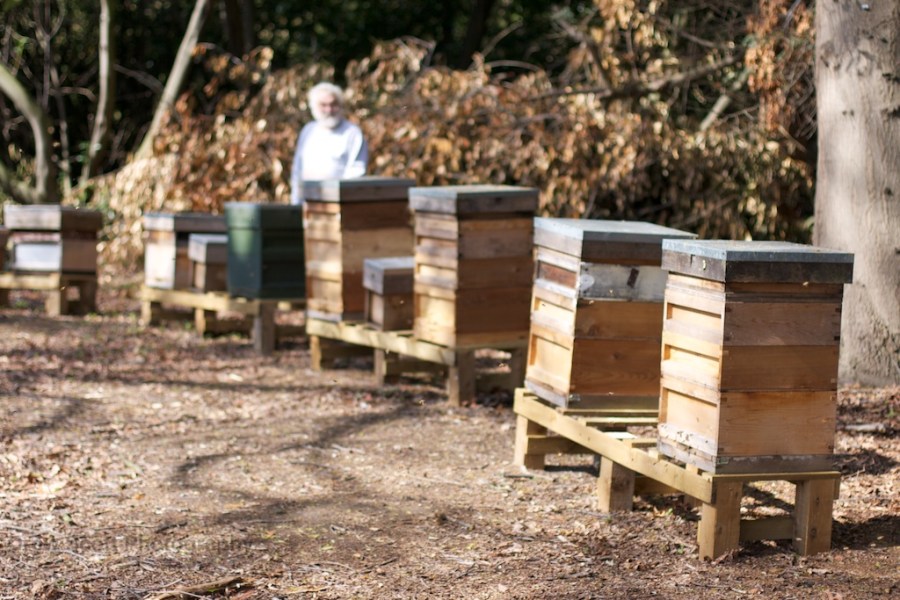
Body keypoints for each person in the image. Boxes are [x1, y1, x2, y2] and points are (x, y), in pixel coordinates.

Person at [289, 82, 368, 205]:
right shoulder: (308, 130)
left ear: (341, 106)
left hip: (338, 205)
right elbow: (297, 169)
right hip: (308, 202)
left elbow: (356, 172)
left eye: (333, 104)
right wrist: (296, 201)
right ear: (314, 106)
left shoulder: (352, 133)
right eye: (323, 105)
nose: (329, 110)